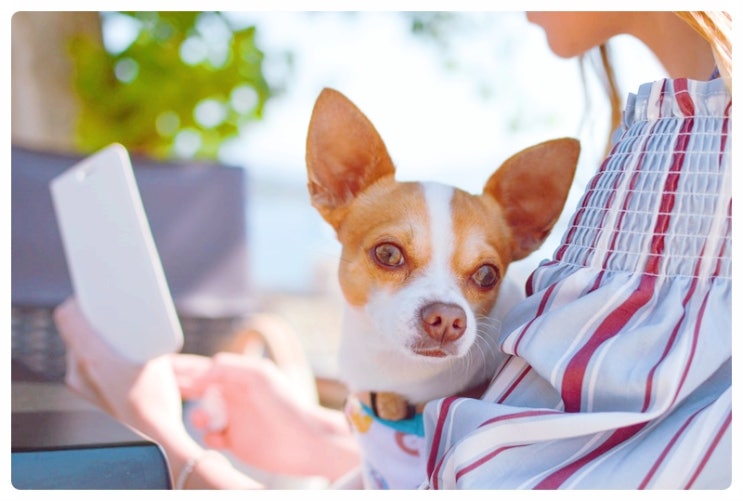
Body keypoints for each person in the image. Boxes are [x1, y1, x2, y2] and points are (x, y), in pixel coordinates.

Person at [53, 11, 731, 489]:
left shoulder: (712, 173)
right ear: (334, 191)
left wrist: (163, 444)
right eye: (390, 255)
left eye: (482, 276)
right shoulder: (657, 140)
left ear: (522, 235)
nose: (447, 309)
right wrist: (330, 437)